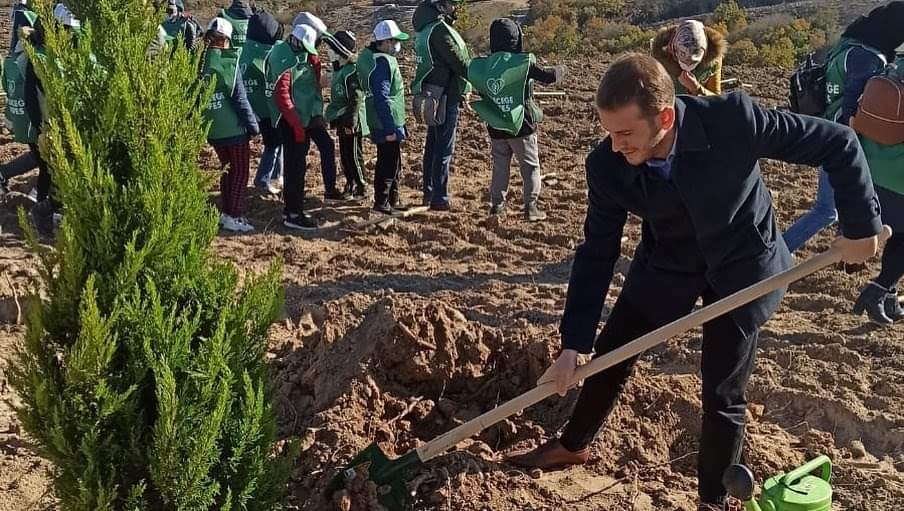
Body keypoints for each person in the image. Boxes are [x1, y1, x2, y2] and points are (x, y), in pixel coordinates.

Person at [505, 54, 883, 511]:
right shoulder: (606, 165)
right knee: (610, 353)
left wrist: (861, 227)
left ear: (664, 117)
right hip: (669, 262)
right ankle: (574, 443)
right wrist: (571, 345)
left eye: (625, 133)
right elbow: (596, 254)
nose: (615, 143)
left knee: (722, 388)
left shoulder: (731, 121)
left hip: (743, 266)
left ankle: (713, 497)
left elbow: (838, 142)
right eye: (609, 131)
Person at [783, 2, 904, 252]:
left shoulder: (848, 47)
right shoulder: (868, 57)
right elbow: (853, 104)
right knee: (826, 211)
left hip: (825, 130)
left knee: (840, 206)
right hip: (839, 140)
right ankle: (778, 252)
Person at [468, 18, 562, 221]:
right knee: (529, 166)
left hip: (495, 125)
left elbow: (476, 84)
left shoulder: (484, 66)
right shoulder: (522, 62)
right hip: (522, 126)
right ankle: (531, 206)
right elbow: (547, 77)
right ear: (516, 38)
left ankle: (497, 206)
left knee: (500, 166)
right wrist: (560, 71)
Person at [849, 54, 904, 325]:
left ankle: (890, 296)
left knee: (897, 235)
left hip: (873, 169)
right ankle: (878, 290)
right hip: (900, 176)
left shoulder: (889, 73)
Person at [267, 24, 333, 231]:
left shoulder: (302, 55)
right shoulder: (285, 59)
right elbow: (283, 96)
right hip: (291, 120)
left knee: (302, 161)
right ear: (295, 41)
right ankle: (293, 213)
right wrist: (296, 124)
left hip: (305, 116)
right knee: (295, 166)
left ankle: (295, 206)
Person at [201, 17, 260, 233]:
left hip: (212, 129)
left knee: (226, 170)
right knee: (240, 172)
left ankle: (226, 212)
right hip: (233, 130)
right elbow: (240, 100)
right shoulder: (228, 63)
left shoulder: (198, 62)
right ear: (226, 40)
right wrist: (253, 127)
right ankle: (233, 215)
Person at [412, 0, 471, 211]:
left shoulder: (425, 28)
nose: (455, 8)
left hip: (433, 93)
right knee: (443, 148)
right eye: (452, 4)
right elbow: (458, 62)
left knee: (433, 145)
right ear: (441, 7)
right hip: (446, 95)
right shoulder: (439, 31)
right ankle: (440, 197)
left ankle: (429, 192)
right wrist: (479, 80)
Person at [357, 20, 409, 216]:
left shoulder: (375, 60)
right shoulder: (382, 63)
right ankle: (382, 202)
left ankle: (392, 200)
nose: (397, 45)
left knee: (393, 161)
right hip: (386, 122)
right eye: (394, 40)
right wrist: (389, 129)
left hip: (388, 120)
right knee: (387, 162)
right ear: (385, 42)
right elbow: (382, 97)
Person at [243, 8, 284, 194]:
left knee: (278, 140)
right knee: (273, 143)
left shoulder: (244, 49)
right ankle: (263, 179)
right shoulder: (268, 52)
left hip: (249, 106)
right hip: (268, 109)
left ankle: (278, 174)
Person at [324, 30, 369, 201]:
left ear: (341, 52)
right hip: (342, 119)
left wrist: (351, 121)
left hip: (352, 121)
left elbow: (356, 99)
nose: (328, 52)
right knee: (344, 154)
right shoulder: (339, 70)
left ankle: (361, 186)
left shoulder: (351, 72)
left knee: (354, 155)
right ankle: (350, 184)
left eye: (332, 49)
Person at [1, 13, 40, 190]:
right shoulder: (33, 60)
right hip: (35, 120)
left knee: (38, 155)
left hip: (23, 119)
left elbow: (8, 90)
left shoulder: (10, 61)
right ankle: (42, 197)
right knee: (42, 158)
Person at [651, 20, 727, 97]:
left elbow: (716, 100)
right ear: (671, 49)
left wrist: (696, 88)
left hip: (699, 107)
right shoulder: (660, 61)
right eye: (682, 62)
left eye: (694, 64)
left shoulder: (713, 60)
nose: (687, 70)